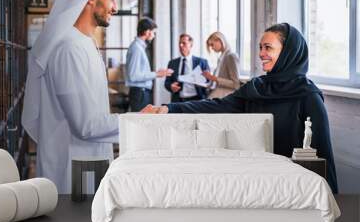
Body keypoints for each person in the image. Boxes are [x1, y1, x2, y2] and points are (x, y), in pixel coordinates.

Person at [142, 23, 338, 193]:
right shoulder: (256, 88)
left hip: (293, 185)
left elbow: (323, 155)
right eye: (260, 47)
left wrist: (330, 203)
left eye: (268, 47)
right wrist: (168, 109)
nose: (261, 53)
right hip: (256, 181)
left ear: (288, 52)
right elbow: (217, 106)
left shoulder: (308, 96)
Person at [22, 0, 121, 194]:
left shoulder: (85, 44)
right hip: (71, 169)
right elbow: (85, 125)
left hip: (87, 162)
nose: (115, 8)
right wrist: (136, 122)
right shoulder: (69, 49)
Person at [125, 18, 173, 112]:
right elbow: (133, 76)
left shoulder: (139, 47)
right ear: (147, 32)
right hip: (140, 94)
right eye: (153, 32)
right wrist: (156, 74)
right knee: (140, 123)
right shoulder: (136, 49)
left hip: (141, 93)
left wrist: (157, 73)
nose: (154, 36)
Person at [165, 34, 210, 102]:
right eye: (179, 43)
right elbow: (167, 82)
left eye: (184, 43)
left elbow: (208, 81)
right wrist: (171, 86)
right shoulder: (172, 63)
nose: (181, 45)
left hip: (197, 100)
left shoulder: (201, 62)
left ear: (191, 45)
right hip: (178, 101)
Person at [203, 32, 240, 98]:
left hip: (225, 96)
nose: (211, 48)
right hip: (217, 94)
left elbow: (235, 84)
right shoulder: (221, 58)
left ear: (220, 40)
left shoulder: (231, 56)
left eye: (212, 44)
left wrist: (214, 78)